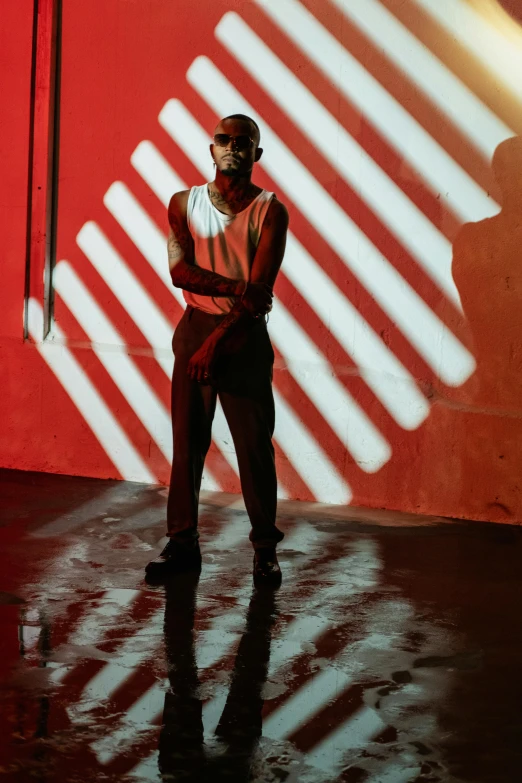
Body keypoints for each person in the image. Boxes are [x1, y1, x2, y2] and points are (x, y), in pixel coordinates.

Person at [145, 114, 289, 586]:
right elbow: (180, 272)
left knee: (253, 447)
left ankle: (265, 550)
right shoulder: (183, 204)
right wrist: (236, 289)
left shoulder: (270, 211)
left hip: (243, 336)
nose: (232, 147)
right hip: (195, 327)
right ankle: (182, 543)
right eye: (223, 140)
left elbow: (260, 291)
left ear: (256, 154)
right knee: (187, 442)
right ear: (211, 150)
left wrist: (220, 337)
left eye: (242, 142)